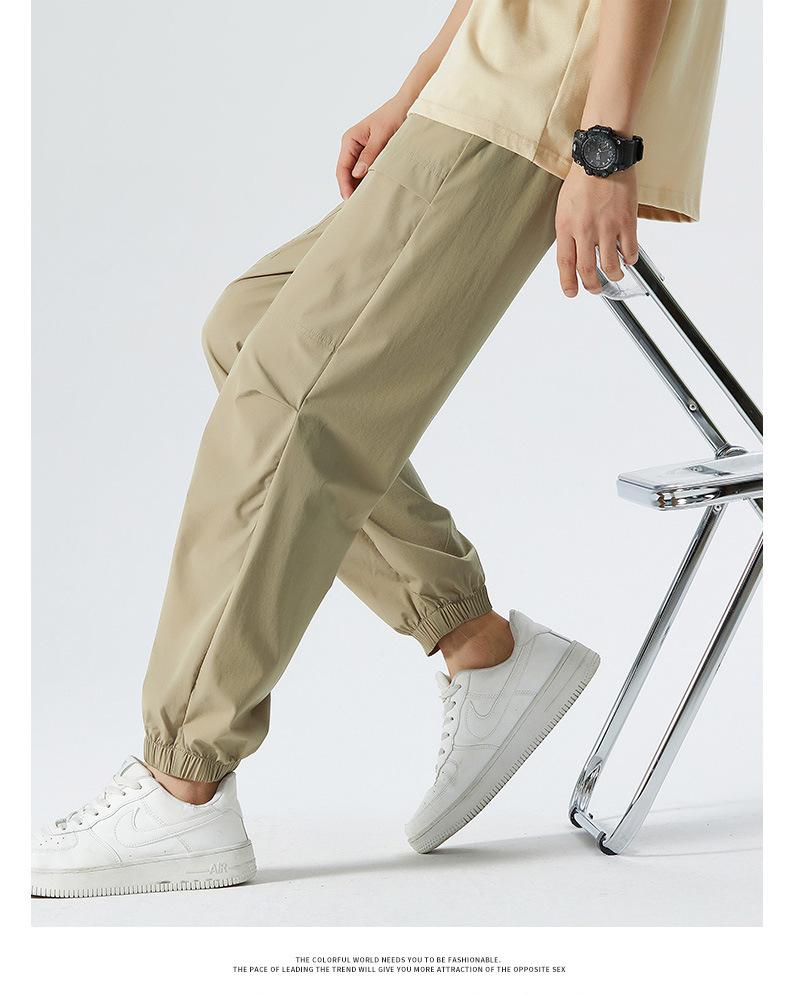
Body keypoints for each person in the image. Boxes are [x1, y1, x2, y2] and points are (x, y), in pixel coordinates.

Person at [32, 0, 726, 898]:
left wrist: (605, 147)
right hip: (487, 83)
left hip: (536, 92)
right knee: (248, 329)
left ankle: (183, 782)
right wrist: (419, 86)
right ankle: (477, 642)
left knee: (288, 396)